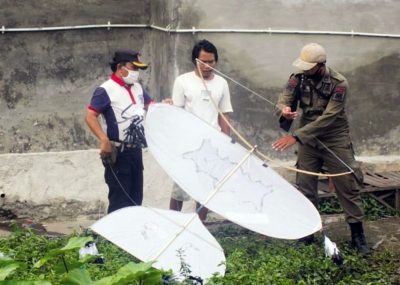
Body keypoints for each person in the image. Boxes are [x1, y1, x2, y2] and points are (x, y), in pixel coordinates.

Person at [272, 43, 370, 256]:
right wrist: (285, 110)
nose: (305, 70)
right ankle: (307, 232)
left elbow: (329, 117)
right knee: (305, 186)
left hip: (334, 136)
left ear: (321, 65)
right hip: (309, 139)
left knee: (348, 185)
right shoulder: (297, 78)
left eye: (309, 67)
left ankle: (358, 236)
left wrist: (296, 136)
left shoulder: (339, 83)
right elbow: (283, 98)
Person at [169, 39, 233, 222]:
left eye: (211, 61)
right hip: (188, 144)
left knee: (206, 189)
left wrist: (225, 142)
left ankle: (200, 226)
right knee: (180, 188)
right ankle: (174, 223)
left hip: (211, 145)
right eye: (203, 61)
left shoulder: (221, 83)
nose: (207, 66)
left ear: (216, 61)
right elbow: (176, 112)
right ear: (195, 61)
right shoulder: (183, 81)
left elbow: (225, 115)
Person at [85, 50, 153, 214]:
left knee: (136, 198)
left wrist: (165, 105)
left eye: (138, 69)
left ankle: (131, 237)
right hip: (119, 153)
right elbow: (90, 116)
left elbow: (151, 106)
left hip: (135, 150)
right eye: (133, 68)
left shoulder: (137, 88)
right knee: (120, 201)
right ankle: (114, 238)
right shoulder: (105, 90)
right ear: (120, 67)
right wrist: (104, 140)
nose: (136, 73)